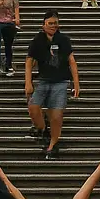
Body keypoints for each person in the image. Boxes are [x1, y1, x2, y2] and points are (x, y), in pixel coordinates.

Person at [25, 11, 80, 161]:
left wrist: (76, 83)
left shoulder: (63, 39)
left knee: (56, 115)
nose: (53, 26)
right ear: (43, 25)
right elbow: (29, 61)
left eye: (55, 23)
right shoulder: (38, 40)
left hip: (60, 81)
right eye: (50, 23)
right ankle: (43, 129)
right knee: (33, 107)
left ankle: (52, 145)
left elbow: (72, 61)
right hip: (43, 80)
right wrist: (28, 82)